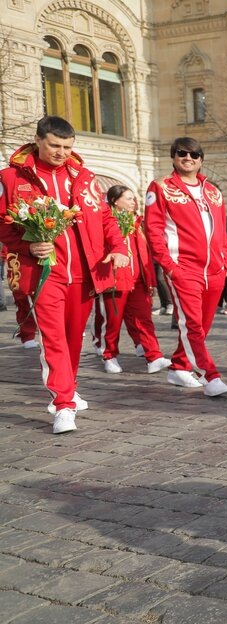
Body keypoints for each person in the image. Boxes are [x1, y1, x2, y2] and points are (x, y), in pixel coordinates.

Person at [0, 115, 129, 433]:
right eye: (55, 146)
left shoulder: (84, 176)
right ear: (38, 140)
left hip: (85, 271)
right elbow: (3, 222)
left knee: (74, 338)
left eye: (67, 146)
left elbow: (105, 218)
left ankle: (68, 387)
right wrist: (28, 247)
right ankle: (62, 405)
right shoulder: (10, 178)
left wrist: (119, 247)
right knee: (53, 338)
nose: (61, 152)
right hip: (45, 273)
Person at [144, 136, 227, 397]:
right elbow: (153, 230)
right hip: (184, 269)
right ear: (173, 156)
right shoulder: (160, 187)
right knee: (192, 323)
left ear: (201, 159)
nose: (188, 158)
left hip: (214, 270)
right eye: (182, 153)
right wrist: (170, 266)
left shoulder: (213, 191)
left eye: (194, 155)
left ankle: (179, 367)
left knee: (201, 326)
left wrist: (226, 260)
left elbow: (223, 231)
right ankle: (209, 375)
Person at [91, 185, 172, 374]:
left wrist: (150, 280)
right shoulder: (104, 222)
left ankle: (154, 356)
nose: (133, 202)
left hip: (139, 279)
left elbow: (144, 253)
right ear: (114, 201)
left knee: (144, 319)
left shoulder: (138, 222)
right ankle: (109, 355)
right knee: (113, 321)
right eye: (128, 198)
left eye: (133, 198)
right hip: (115, 278)